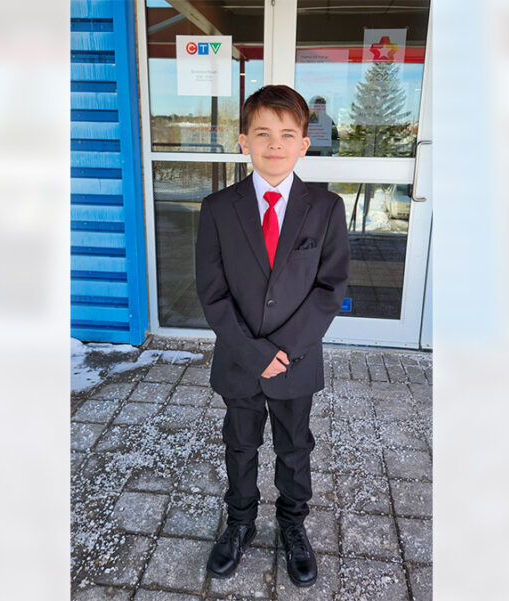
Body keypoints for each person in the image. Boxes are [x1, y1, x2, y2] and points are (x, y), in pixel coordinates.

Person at [195, 85, 350, 588]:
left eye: (286, 134)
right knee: (239, 444)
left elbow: (329, 288)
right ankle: (240, 521)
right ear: (244, 141)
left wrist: (283, 350)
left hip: (296, 360)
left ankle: (292, 524)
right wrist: (253, 351)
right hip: (239, 359)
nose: (274, 144)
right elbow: (213, 292)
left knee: (294, 445)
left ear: (305, 143)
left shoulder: (326, 208)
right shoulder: (218, 208)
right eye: (262, 133)